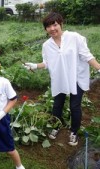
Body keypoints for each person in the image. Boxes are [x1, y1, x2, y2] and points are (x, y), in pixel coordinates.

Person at [23, 12, 100, 146]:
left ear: (61, 24)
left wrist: (99, 68)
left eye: (55, 24)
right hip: (59, 78)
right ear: (45, 29)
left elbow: (87, 56)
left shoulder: (74, 38)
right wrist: (35, 65)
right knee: (57, 105)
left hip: (77, 77)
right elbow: (47, 63)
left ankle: (74, 132)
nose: (52, 29)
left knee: (75, 106)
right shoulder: (47, 45)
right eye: (48, 26)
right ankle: (57, 126)